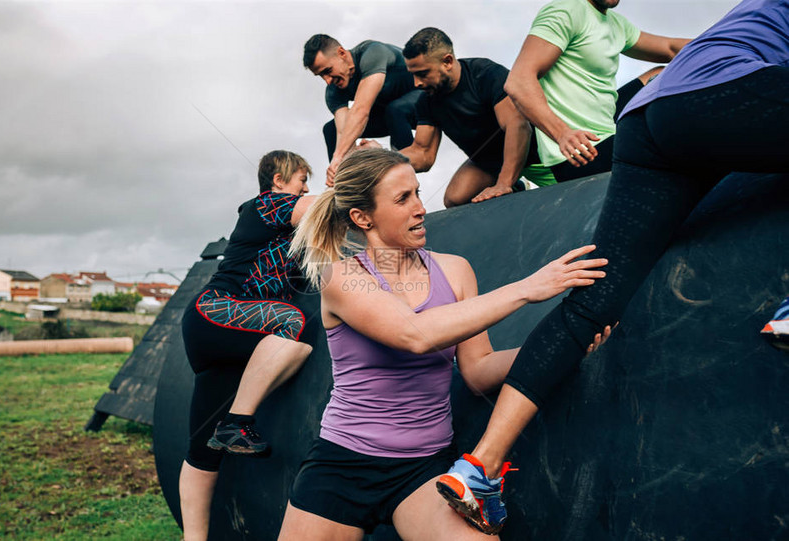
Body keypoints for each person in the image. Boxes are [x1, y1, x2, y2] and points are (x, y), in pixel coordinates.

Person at [438, 0, 789, 534]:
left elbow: (677, 49)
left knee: (594, 298)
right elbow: (521, 80)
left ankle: (479, 467)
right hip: (714, 100)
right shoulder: (565, 13)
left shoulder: (744, 16)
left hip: (650, 121)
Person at [277, 148, 611, 539]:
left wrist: (559, 347)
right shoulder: (342, 278)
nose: (420, 208)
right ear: (361, 217)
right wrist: (527, 288)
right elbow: (415, 335)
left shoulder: (454, 270)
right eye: (403, 199)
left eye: (417, 192)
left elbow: (478, 371)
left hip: (422, 467)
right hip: (344, 465)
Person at [179, 150, 318, 541]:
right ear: (278, 181)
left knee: (201, 450)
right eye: (300, 180)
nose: (305, 187)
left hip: (222, 339)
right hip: (217, 312)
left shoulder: (286, 235)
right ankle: (239, 423)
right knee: (293, 323)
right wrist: (350, 171)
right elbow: (324, 207)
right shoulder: (265, 206)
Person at [504, 0, 690, 182]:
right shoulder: (566, 11)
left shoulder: (616, 24)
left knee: (663, 73)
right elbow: (519, 81)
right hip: (581, 152)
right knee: (680, 145)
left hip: (609, 133)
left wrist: (717, 43)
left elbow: (670, 49)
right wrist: (562, 134)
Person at [400, 27, 556, 208]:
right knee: (455, 199)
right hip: (489, 162)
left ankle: (510, 183)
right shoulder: (426, 100)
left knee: (576, 186)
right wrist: (376, 160)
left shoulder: (485, 74)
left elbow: (518, 126)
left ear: (447, 61)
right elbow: (422, 153)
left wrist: (504, 184)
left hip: (535, 155)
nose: (416, 83)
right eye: (413, 74)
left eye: (423, 73)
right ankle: (517, 188)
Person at [303, 34, 423, 185]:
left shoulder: (372, 53)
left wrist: (339, 156)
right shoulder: (333, 90)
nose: (327, 80)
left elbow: (361, 110)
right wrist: (338, 166)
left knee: (394, 109)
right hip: (388, 116)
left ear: (341, 53)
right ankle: (349, 191)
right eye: (321, 75)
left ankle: (405, 176)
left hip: (423, 100)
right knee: (331, 130)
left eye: (328, 70)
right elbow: (343, 132)